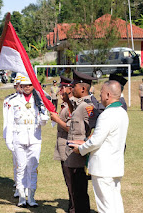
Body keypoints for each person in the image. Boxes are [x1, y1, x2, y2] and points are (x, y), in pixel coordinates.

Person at [68, 80, 129, 213]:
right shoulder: (122, 112)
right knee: (115, 203)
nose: (100, 96)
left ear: (107, 95)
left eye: (101, 93)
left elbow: (96, 141)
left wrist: (81, 149)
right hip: (115, 166)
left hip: (103, 169)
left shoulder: (107, 115)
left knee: (105, 206)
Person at [6, 76, 49, 208]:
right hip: (19, 137)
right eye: (24, 85)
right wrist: (9, 140)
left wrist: (44, 119)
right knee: (21, 168)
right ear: (20, 86)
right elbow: (9, 121)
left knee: (33, 168)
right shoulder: (14, 101)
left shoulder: (40, 99)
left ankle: (31, 197)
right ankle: (21, 197)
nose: (27, 87)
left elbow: (44, 118)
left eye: (29, 85)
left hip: (34, 137)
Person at [63, 70, 98, 213]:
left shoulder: (87, 106)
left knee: (80, 192)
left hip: (79, 156)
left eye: (74, 86)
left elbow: (96, 129)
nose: (72, 89)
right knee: (75, 192)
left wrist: (85, 144)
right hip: (73, 156)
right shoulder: (79, 104)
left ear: (83, 88)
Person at [50, 76, 76, 213]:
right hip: (63, 148)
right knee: (69, 182)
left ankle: (74, 208)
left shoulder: (72, 105)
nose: (59, 92)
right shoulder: (65, 105)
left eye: (62, 89)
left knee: (72, 182)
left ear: (69, 89)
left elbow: (71, 127)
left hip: (69, 149)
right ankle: (72, 206)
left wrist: (56, 119)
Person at [3, 73, 23, 198]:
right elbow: (7, 120)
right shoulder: (9, 100)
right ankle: (18, 186)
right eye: (18, 85)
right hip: (15, 134)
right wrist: (7, 136)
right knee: (17, 163)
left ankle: (25, 186)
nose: (20, 87)